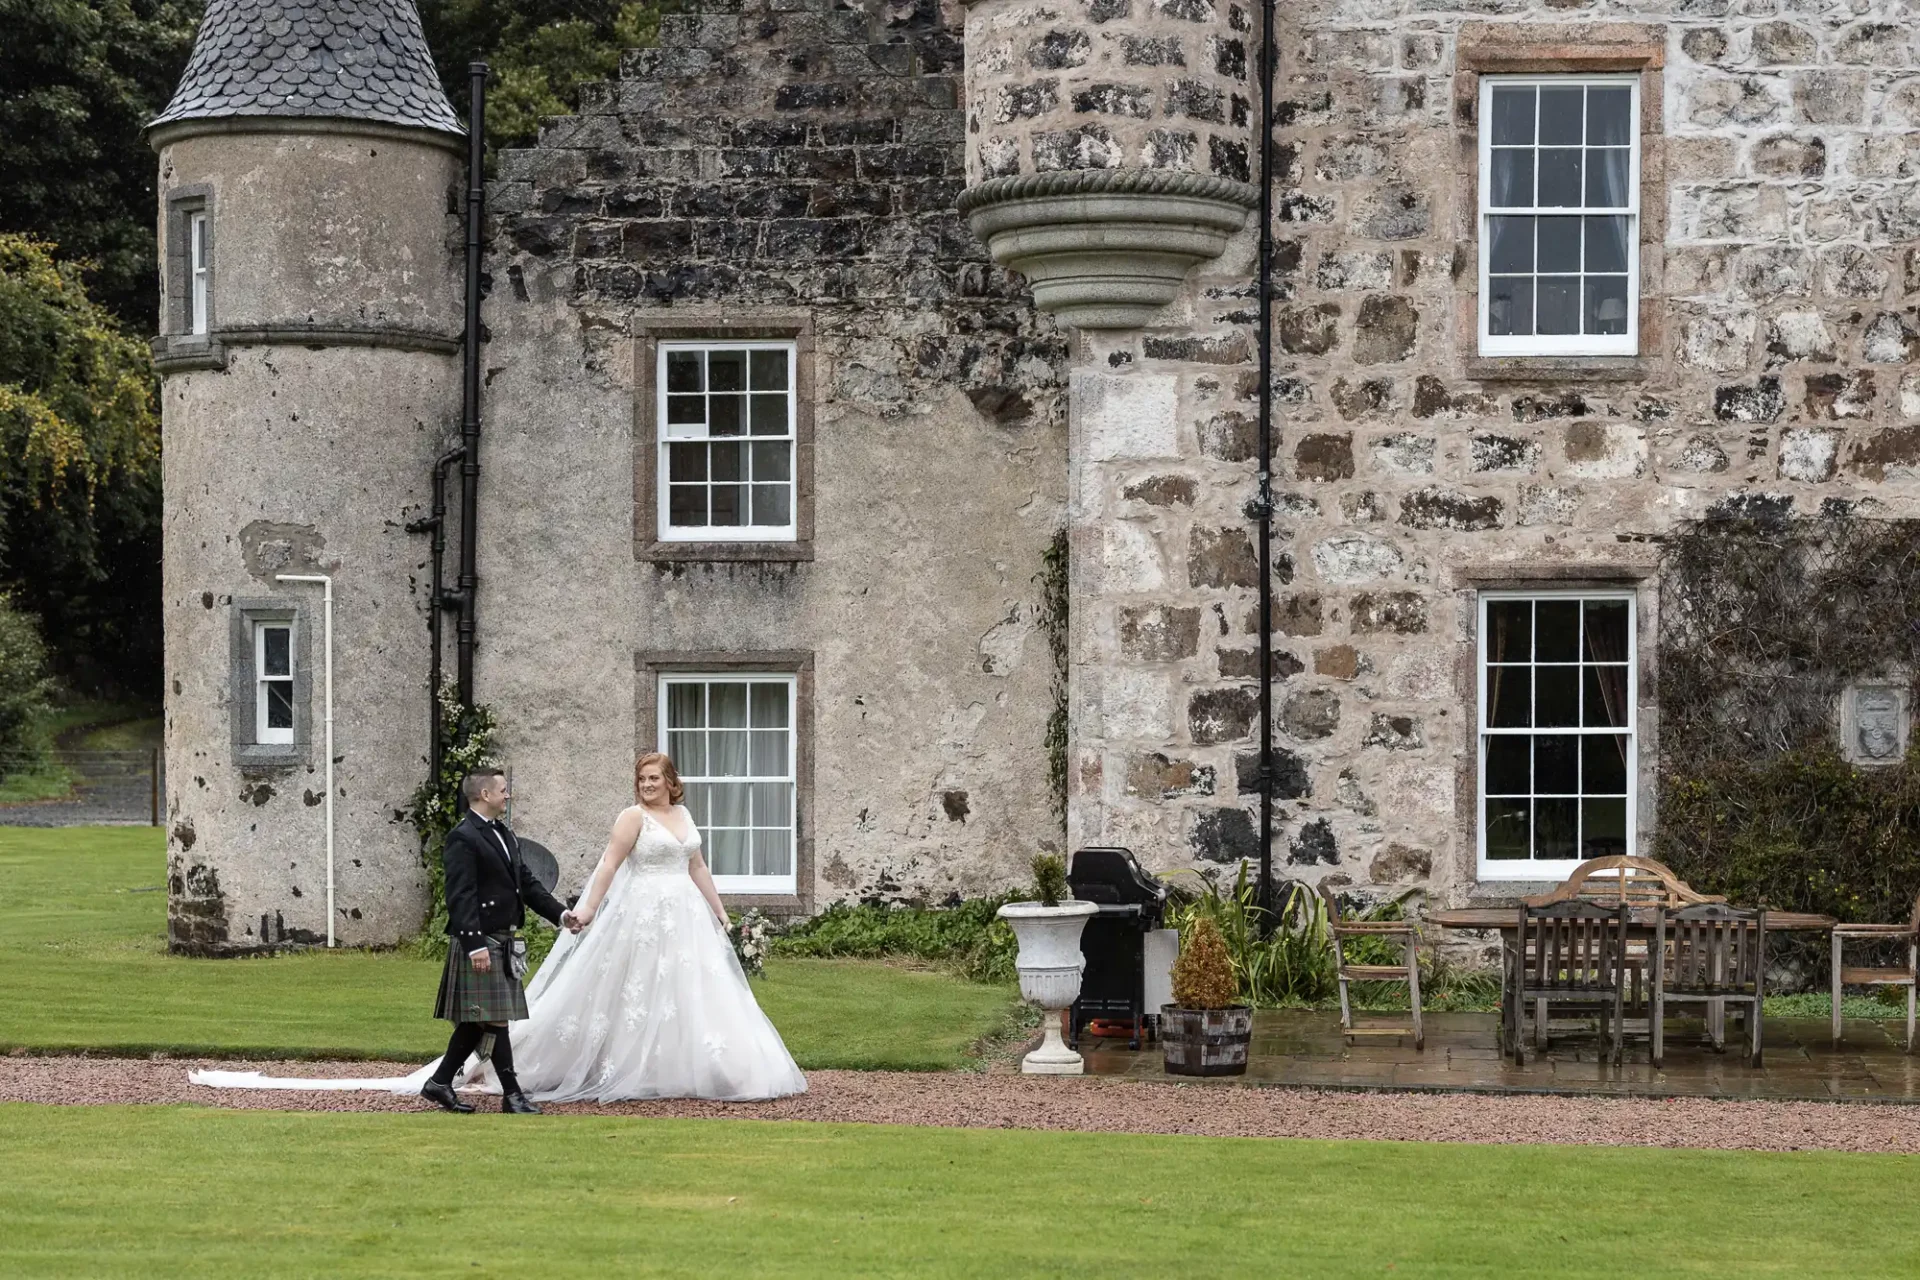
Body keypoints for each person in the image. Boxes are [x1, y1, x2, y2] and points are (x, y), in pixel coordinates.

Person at [189, 753, 805, 1104]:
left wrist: (723, 919)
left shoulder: (676, 816)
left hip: (684, 920)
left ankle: (457, 1081)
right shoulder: (619, 820)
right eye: (640, 780)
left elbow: (695, 866)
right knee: (511, 1013)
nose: (646, 787)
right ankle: (501, 1087)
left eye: (653, 780)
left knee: (680, 998)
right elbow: (605, 868)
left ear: (670, 782)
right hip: (616, 919)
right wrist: (582, 912)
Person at [422, 767, 568, 1114]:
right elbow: (460, 895)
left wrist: (560, 915)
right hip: (481, 938)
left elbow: (528, 884)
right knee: (494, 1018)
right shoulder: (464, 836)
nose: (508, 795)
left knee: (483, 1019)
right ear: (485, 795)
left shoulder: (503, 833)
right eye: (503, 790)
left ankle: (440, 1083)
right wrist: (474, 945)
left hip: (502, 936)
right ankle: (512, 1094)